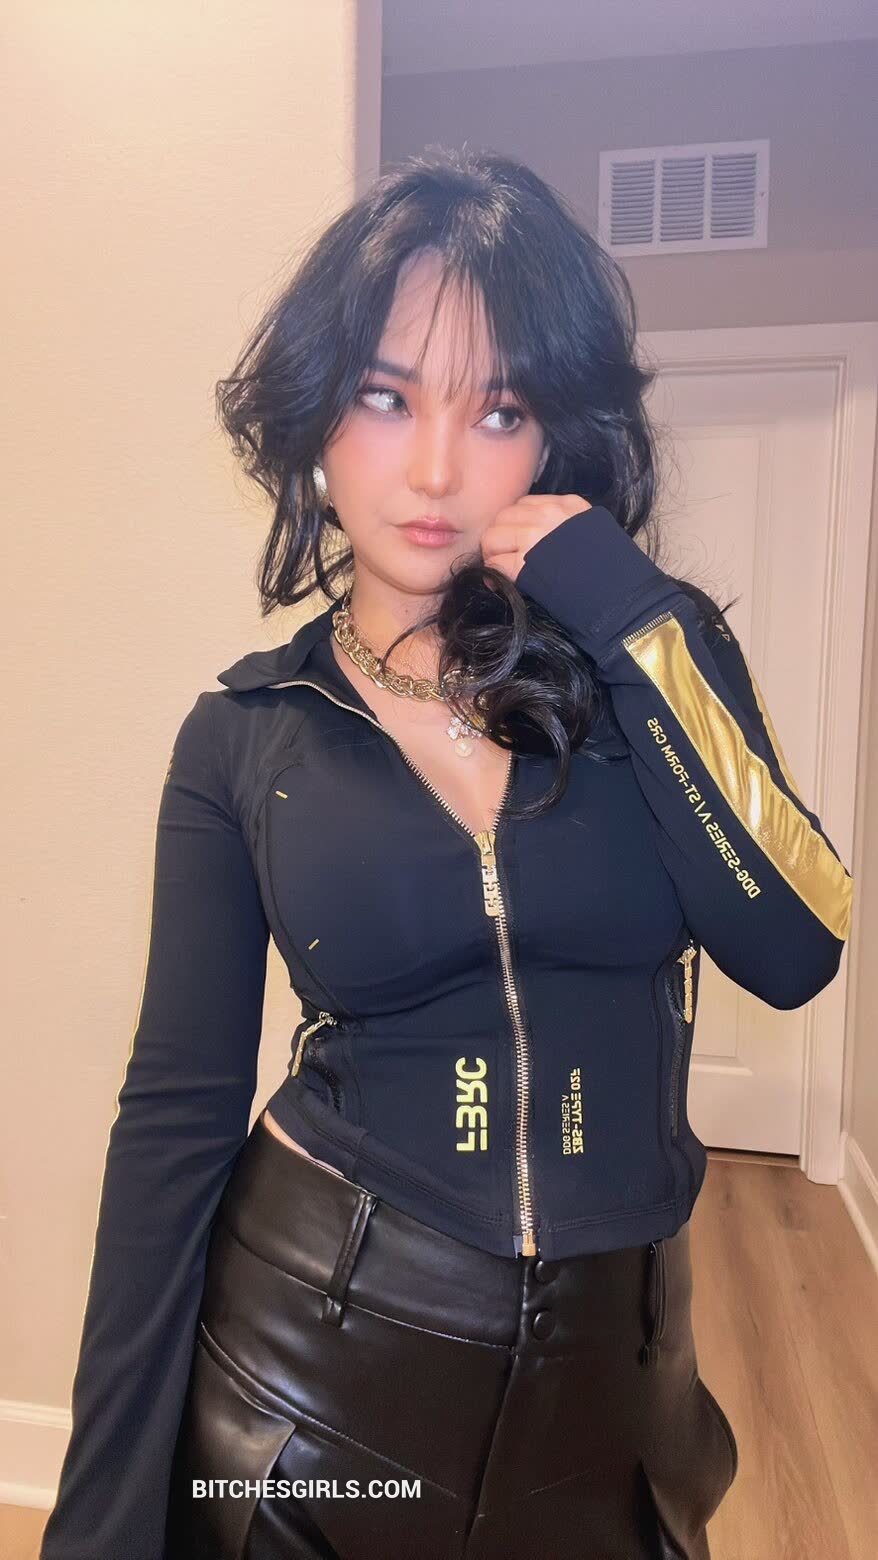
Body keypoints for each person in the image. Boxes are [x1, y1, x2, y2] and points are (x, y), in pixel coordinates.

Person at [40, 145, 853, 1560]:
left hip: (611, 1408)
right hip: (309, 1399)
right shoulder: (243, 739)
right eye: (386, 396)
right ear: (316, 420)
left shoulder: (643, 668)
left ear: (553, 439)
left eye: (497, 409)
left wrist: (633, 613)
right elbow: (172, 1124)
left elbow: (792, 943)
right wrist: (103, 1524)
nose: (433, 468)